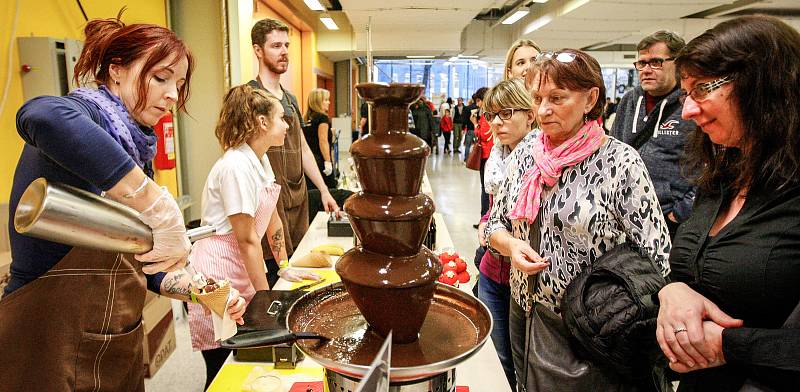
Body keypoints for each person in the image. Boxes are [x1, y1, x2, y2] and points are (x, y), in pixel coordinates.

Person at [0, 16, 246, 391]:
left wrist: (206, 293)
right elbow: (41, 115)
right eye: (160, 78)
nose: (172, 96)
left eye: (178, 85)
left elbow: (143, 268)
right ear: (115, 72)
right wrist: (156, 206)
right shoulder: (91, 116)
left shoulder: (135, 147)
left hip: (113, 342)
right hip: (48, 341)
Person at [486, 49, 670, 391]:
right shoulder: (527, 153)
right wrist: (512, 245)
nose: (543, 110)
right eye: (538, 98)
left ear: (590, 99)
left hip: (591, 326)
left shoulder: (619, 163)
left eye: (557, 98)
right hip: (524, 310)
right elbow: (495, 224)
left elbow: (656, 256)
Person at [655, 15, 800, 391]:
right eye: (686, 93)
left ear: (761, 87)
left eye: (703, 89)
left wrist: (725, 345)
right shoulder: (724, 173)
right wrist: (671, 290)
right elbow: (692, 272)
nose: (687, 110)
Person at [188, 85, 318, 388]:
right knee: (224, 364)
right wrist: (267, 299)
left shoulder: (261, 159)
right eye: (281, 119)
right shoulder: (235, 166)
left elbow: (272, 217)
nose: (287, 125)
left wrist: (284, 267)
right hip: (218, 273)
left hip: (241, 266)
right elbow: (247, 241)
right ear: (262, 123)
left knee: (250, 359)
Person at [248, 18, 340, 278]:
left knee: (300, 267)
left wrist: (323, 190)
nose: (284, 51)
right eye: (276, 45)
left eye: (286, 45)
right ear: (258, 50)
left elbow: (302, 147)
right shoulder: (249, 96)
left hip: (297, 198)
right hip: (268, 205)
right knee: (272, 270)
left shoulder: (290, 99)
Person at [476, 77, 537, 390]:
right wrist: (487, 222)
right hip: (492, 272)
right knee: (498, 361)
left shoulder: (542, 159)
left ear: (529, 113)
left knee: (523, 365)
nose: (497, 122)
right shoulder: (497, 158)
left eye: (506, 113)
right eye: (491, 115)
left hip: (522, 280)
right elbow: (494, 208)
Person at [612, 30, 696, 237]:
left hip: (669, 221)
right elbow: (611, 152)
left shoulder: (692, 105)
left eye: (656, 62)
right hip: (624, 217)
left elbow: (708, 167)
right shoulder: (629, 101)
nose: (646, 70)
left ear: (678, 63)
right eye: (642, 63)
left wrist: (680, 213)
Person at [304, 88, 336, 189]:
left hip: (308, 162)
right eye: (326, 100)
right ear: (318, 102)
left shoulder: (305, 119)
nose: (329, 102)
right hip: (320, 161)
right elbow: (323, 141)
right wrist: (328, 162)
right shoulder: (323, 118)